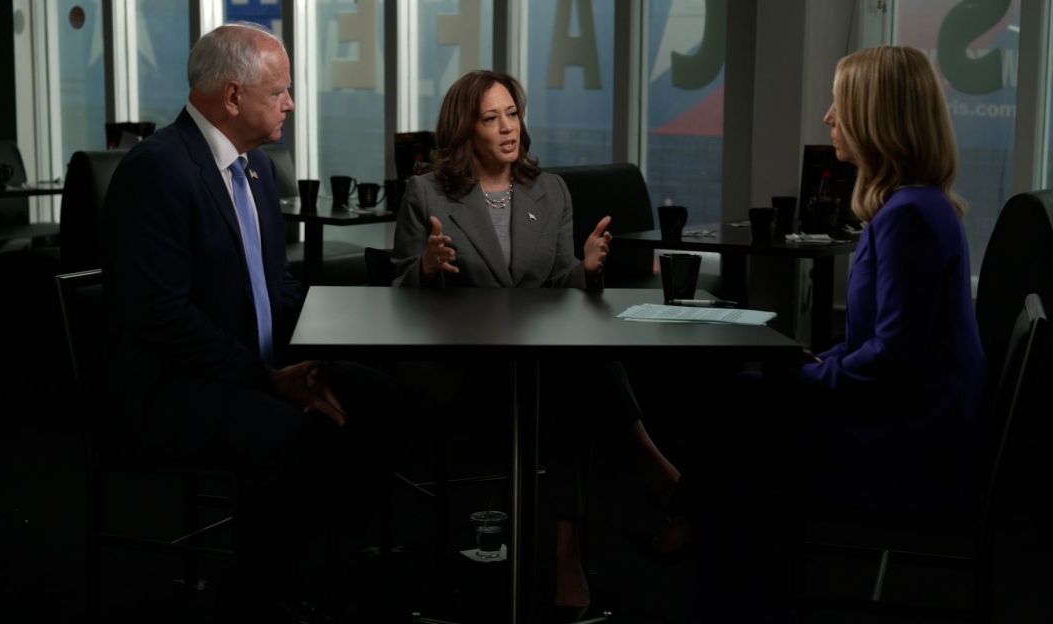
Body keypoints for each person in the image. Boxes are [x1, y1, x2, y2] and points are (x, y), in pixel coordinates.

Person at [649, 44, 988, 617]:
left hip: (910, 450)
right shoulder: (922, 208)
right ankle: (710, 541)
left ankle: (715, 559)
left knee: (742, 408)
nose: (829, 117)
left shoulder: (908, 217)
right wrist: (818, 364)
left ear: (877, 117)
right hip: (919, 423)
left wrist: (811, 374)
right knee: (749, 397)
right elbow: (884, 346)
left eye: (839, 104)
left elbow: (893, 360)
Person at [99, 22, 399, 623]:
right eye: (279, 91)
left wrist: (338, 333)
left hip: (249, 369)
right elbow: (162, 317)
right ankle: (254, 597)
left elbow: (276, 291)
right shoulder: (157, 169)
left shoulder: (256, 170)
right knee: (296, 437)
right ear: (232, 97)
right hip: (174, 387)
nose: (290, 103)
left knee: (379, 397)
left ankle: (306, 564)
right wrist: (269, 379)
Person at [391, 69, 681, 615]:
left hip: (541, 366)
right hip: (466, 368)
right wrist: (427, 269)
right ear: (464, 129)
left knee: (568, 372)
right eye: (490, 118)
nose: (507, 129)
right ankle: (656, 485)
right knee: (574, 372)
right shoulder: (426, 191)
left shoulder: (549, 192)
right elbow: (400, 291)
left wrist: (587, 270)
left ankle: (566, 553)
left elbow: (556, 286)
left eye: (513, 114)